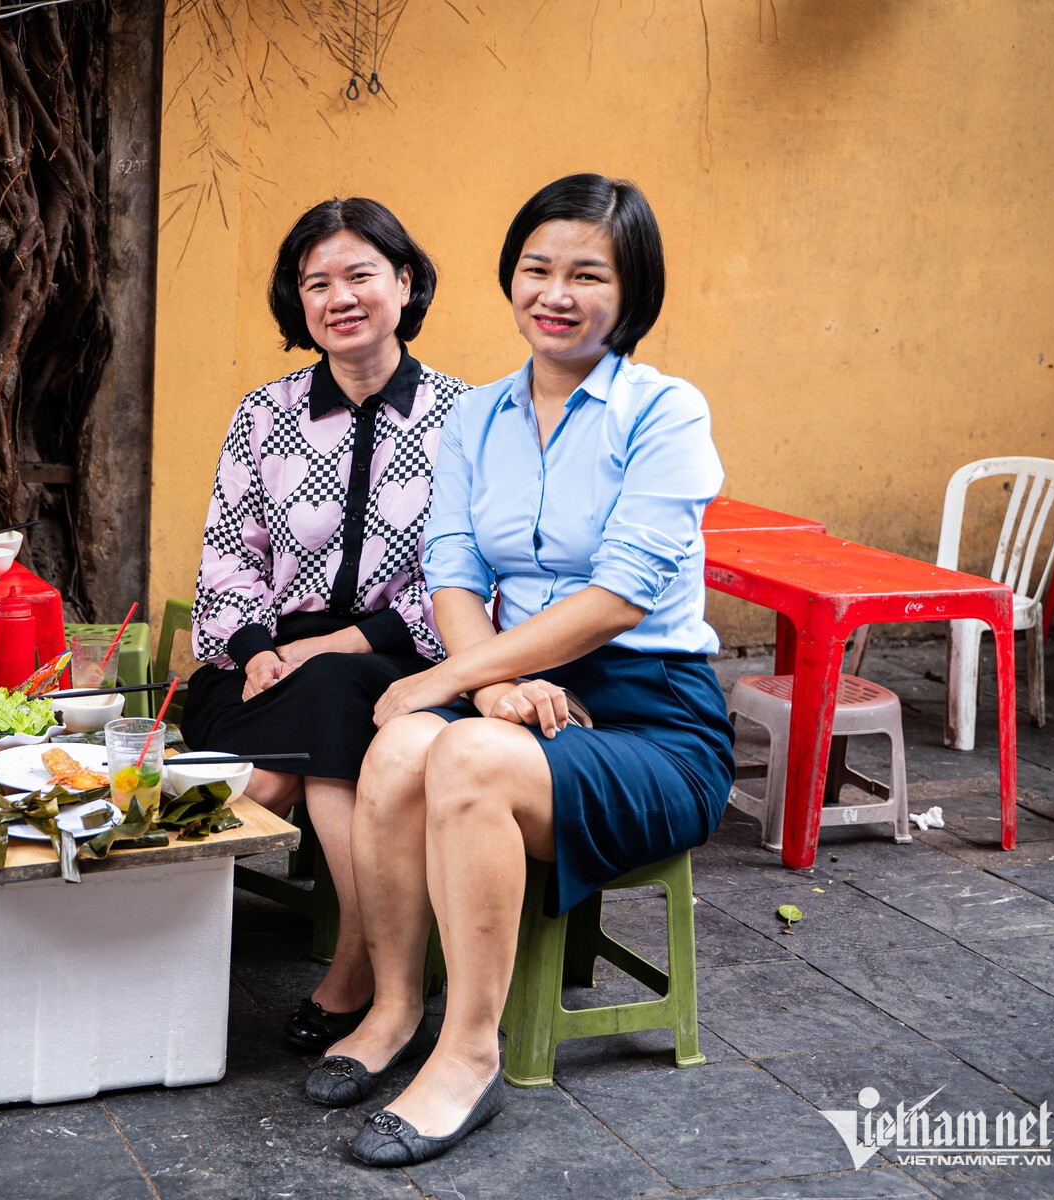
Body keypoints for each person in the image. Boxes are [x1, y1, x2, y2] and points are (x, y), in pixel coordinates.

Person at [308, 175, 734, 1167]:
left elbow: (621, 595)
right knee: (403, 744)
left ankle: (469, 1055)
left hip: (652, 717)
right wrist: (487, 687)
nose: (558, 292)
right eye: (538, 268)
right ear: (511, 279)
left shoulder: (665, 412)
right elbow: (452, 572)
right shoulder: (478, 418)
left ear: (632, 294)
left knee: (460, 758)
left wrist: (451, 681)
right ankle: (396, 1011)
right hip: (526, 690)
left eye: (589, 274)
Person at [183, 198, 466, 1055]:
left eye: (359, 275)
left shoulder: (466, 420)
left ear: (404, 283)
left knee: (334, 703)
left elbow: (463, 583)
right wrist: (260, 651)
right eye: (317, 283)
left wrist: (332, 646)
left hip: (399, 663)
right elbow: (227, 563)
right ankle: (377, 975)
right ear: (298, 302)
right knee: (314, 726)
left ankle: (364, 976)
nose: (339, 297)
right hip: (263, 668)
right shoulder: (263, 415)